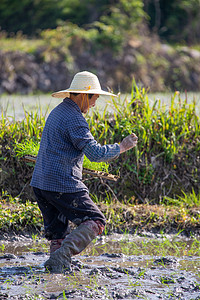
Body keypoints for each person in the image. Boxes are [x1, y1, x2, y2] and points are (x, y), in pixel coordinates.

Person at [30, 71, 138, 273]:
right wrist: (122, 147)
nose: (95, 104)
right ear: (83, 95)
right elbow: (95, 154)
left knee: (57, 233)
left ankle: (57, 264)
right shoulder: (74, 119)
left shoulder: (58, 112)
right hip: (62, 184)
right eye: (95, 98)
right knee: (96, 220)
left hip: (41, 184)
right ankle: (63, 254)